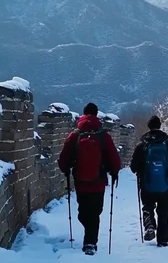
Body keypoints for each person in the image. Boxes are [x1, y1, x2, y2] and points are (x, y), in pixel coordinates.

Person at [58, 103, 122, 256]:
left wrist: (66, 169)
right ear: (96, 115)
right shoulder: (103, 136)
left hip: (81, 181)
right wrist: (114, 171)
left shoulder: (75, 135)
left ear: (83, 115)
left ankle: (89, 239)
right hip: (98, 182)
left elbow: (63, 159)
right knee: (95, 213)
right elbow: (114, 158)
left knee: (83, 212)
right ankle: (90, 242)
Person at [130, 115, 168, 247]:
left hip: (146, 184)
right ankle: (163, 241)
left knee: (148, 207)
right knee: (164, 214)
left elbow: (133, 167)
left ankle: (149, 224)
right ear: (160, 126)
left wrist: (141, 171)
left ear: (148, 127)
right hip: (166, 185)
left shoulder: (142, 145)